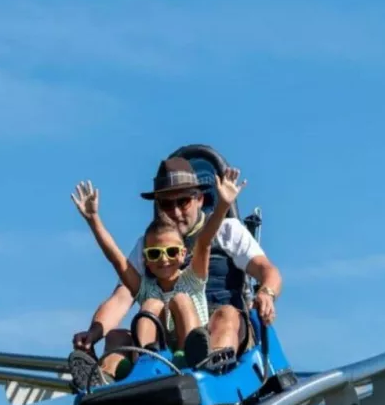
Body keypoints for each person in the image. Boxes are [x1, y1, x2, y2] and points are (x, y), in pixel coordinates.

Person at [69, 150, 284, 388]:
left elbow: (266, 270)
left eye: (183, 202)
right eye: (166, 204)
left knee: (224, 314)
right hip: (163, 340)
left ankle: (211, 369)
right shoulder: (150, 246)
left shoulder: (226, 231)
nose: (176, 212)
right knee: (121, 334)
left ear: (200, 199)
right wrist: (94, 333)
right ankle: (106, 378)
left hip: (220, 327)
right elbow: (120, 297)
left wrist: (266, 293)